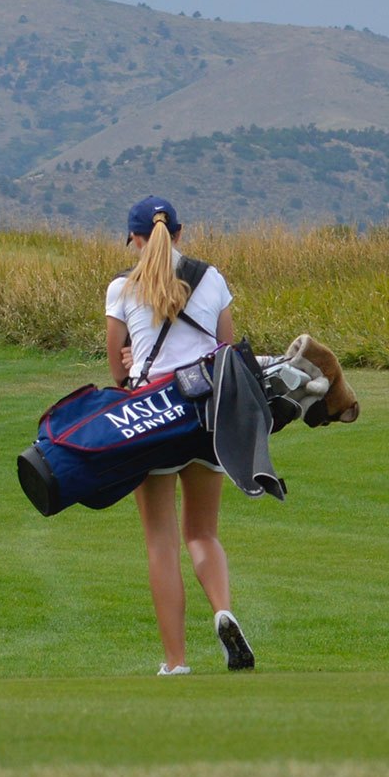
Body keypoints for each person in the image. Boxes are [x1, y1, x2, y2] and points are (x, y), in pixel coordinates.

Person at [105, 196, 254, 677]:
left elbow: (118, 365)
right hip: (206, 414)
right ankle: (223, 609)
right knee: (204, 533)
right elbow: (226, 348)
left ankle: (176, 662)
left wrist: (132, 365)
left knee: (161, 543)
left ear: (134, 237)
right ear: (180, 233)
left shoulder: (121, 288)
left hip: (152, 415)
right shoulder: (211, 278)